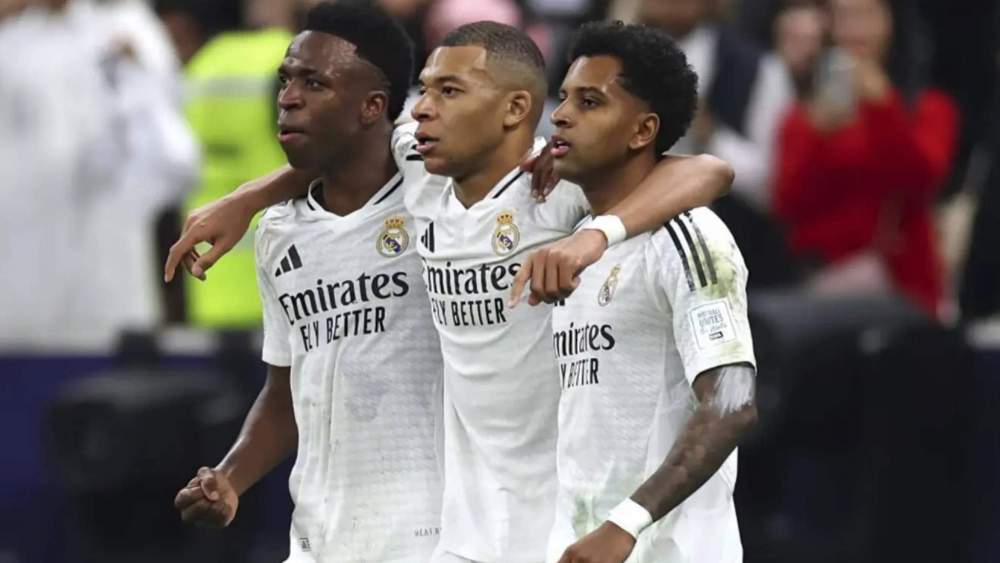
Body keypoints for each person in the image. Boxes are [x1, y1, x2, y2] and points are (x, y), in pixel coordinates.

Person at [166, 19, 734, 563]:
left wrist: (592, 237)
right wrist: (246, 199)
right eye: (426, 89)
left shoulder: (558, 192)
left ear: (514, 110)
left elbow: (707, 171)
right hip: (464, 529)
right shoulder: (421, 167)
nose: (420, 108)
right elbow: (351, 144)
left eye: (450, 90)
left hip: (550, 521)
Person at [172, 4, 445, 561]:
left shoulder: (438, 197)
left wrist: (245, 194)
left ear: (374, 106)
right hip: (319, 540)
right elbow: (285, 392)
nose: (288, 97)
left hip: (435, 538)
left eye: (314, 82)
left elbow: (422, 136)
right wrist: (230, 478)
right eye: (286, 80)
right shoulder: (278, 232)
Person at [515, 21, 757, 563]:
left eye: (590, 102)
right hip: (578, 543)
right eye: (565, 97)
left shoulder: (690, 236)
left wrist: (624, 525)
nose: (560, 114)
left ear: (642, 130)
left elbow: (734, 404)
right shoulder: (575, 240)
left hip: (666, 550)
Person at [773, 0, 959, 318]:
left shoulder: (929, 107)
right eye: (843, 16)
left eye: (866, 15)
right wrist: (816, 136)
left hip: (905, 290)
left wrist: (882, 107)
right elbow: (786, 204)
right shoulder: (804, 116)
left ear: (892, 22)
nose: (854, 30)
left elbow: (923, 181)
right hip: (823, 291)